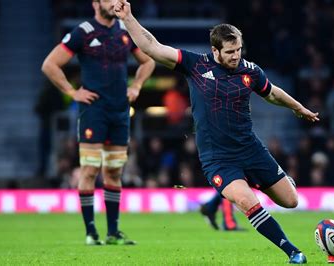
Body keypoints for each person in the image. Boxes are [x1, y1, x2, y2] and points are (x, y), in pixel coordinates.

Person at [114, 1, 319, 263]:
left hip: (251, 149)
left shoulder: (250, 70)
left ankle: (259, 181)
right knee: (248, 203)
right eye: (231, 51)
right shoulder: (195, 65)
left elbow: (272, 93)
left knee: (291, 201)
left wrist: (298, 107)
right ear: (215, 50)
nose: (236, 56)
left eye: (239, 49)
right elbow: (152, 47)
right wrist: (128, 17)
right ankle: (293, 252)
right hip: (219, 159)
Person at [42, 0, 155, 245]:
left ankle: (113, 232)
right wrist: (72, 93)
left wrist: (136, 86)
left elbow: (149, 60)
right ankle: (90, 231)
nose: (115, 1)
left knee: (114, 171)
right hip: (93, 111)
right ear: (96, 4)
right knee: (90, 169)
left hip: (119, 111)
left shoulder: (125, 31)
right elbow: (50, 64)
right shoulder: (82, 32)